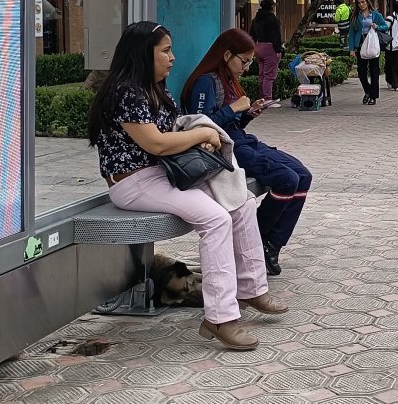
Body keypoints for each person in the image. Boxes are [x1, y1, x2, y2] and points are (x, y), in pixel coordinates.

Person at [88, 21, 287, 351]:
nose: (173, 58)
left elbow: (173, 134)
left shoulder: (155, 86)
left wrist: (200, 141)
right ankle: (221, 317)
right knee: (216, 219)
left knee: (242, 200)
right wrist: (204, 134)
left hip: (163, 174)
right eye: (165, 51)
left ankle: (252, 288)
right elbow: (157, 144)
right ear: (142, 54)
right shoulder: (125, 91)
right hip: (133, 182)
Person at [182, 28, 314, 278]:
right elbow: (200, 124)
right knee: (287, 180)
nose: (247, 67)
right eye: (244, 61)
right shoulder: (205, 82)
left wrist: (247, 114)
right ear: (227, 54)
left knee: (303, 176)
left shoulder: (229, 80)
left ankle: (270, 245)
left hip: (244, 141)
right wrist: (234, 108)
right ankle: (256, 243)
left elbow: (233, 124)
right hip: (226, 150)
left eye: (250, 61)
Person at [347, 0, 389, 105]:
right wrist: (351, 49)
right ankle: (368, 91)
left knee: (374, 71)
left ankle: (373, 97)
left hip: (373, 44)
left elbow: (385, 26)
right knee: (361, 71)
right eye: (359, 3)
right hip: (360, 44)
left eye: (363, 2)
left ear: (367, 2)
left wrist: (377, 26)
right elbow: (351, 33)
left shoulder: (376, 15)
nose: (361, 4)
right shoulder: (356, 16)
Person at [249, 0, 283, 107]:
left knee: (262, 74)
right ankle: (268, 99)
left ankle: (261, 98)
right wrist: (278, 50)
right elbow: (276, 35)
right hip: (270, 48)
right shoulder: (273, 19)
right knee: (269, 75)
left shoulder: (256, 19)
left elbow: (251, 35)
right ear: (272, 7)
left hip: (258, 47)